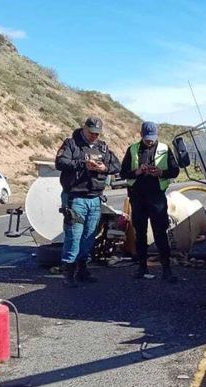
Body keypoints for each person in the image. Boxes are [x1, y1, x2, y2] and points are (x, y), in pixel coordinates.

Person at [55, 116, 120, 287]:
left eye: (97, 133)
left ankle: (83, 269)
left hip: (95, 198)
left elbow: (117, 166)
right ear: (84, 129)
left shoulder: (103, 147)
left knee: (89, 237)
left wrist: (104, 168)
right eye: (91, 133)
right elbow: (60, 162)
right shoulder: (71, 144)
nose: (94, 136)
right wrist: (83, 164)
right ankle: (68, 273)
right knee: (73, 236)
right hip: (76, 198)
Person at [119, 121, 180, 283]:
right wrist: (137, 171)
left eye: (152, 138)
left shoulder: (165, 149)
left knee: (160, 233)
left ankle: (167, 269)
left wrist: (161, 172)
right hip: (137, 198)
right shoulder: (132, 149)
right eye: (147, 138)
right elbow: (123, 172)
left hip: (157, 198)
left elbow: (175, 171)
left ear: (157, 135)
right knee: (140, 233)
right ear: (141, 135)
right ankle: (142, 267)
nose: (149, 141)